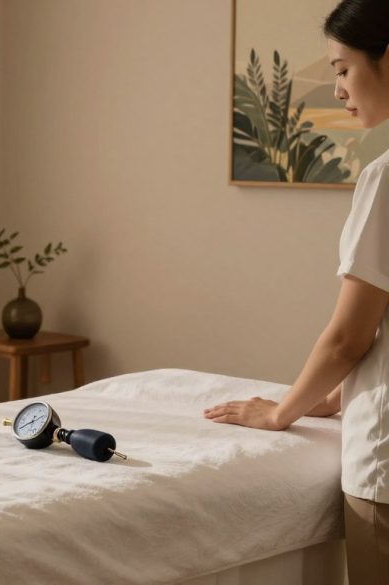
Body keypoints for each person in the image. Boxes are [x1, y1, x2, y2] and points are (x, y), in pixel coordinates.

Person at [204, 1, 389, 581]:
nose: (338, 89)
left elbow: (349, 337)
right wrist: (331, 399)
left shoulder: (386, 176)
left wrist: (283, 412)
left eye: (343, 68)